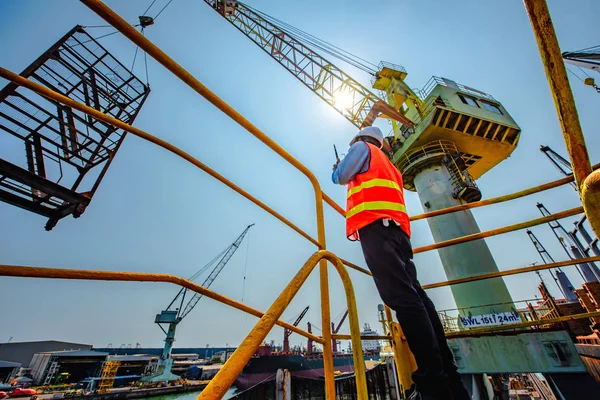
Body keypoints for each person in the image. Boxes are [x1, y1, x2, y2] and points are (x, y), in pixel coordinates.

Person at [332, 126, 470, 400]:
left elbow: (340, 176)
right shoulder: (389, 164)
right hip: (397, 233)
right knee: (417, 296)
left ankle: (433, 382)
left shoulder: (362, 149)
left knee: (403, 299)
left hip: (376, 229)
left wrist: (339, 166)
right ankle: (448, 376)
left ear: (361, 140)